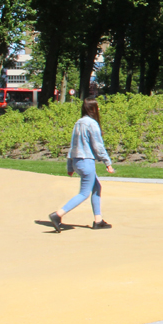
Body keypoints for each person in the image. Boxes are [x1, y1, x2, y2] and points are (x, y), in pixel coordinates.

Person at [48, 98, 115, 232]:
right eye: (97, 107)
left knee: (96, 187)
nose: (99, 109)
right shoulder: (92, 124)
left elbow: (73, 146)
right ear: (93, 109)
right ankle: (58, 214)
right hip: (86, 161)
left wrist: (70, 166)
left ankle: (98, 221)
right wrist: (108, 163)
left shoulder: (78, 123)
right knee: (84, 193)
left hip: (77, 161)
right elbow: (98, 146)